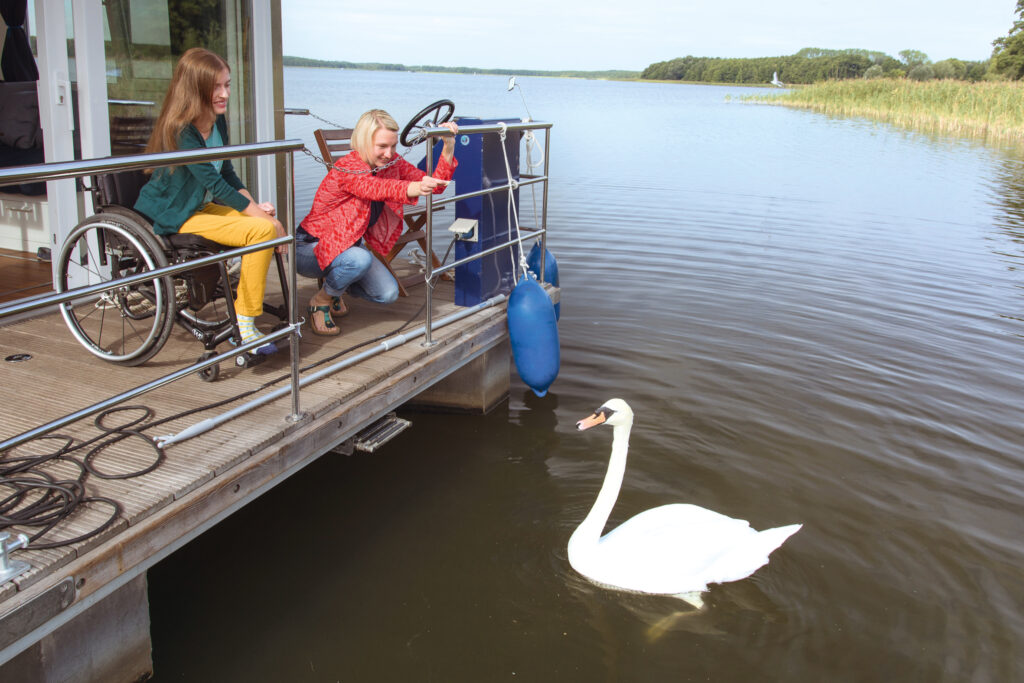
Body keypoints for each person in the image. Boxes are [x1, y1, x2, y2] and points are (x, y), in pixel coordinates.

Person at [134, 47, 286, 350]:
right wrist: (265, 218)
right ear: (196, 89)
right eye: (216, 86)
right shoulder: (182, 131)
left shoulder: (217, 121)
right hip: (173, 213)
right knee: (264, 229)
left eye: (227, 84)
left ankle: (244, 314)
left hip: (196, 206)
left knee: (263, 224)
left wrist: (256, 208)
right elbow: (214, 184)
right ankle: (245, 324)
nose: (225, 93)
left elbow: (227, 173)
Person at [296, 109, 458, 335]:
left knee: (387, 294)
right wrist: (415, 188)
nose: (389, 153)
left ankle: (334, 288)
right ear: (363, 141)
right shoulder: (348, 167)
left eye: (393, 146)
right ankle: (321, 299)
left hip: (347, 246)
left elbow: (437, 186)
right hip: (310, 248)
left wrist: (448, 146)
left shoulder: (392, 163)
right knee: (359, 259)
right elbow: (377, 188)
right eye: (382, 146)